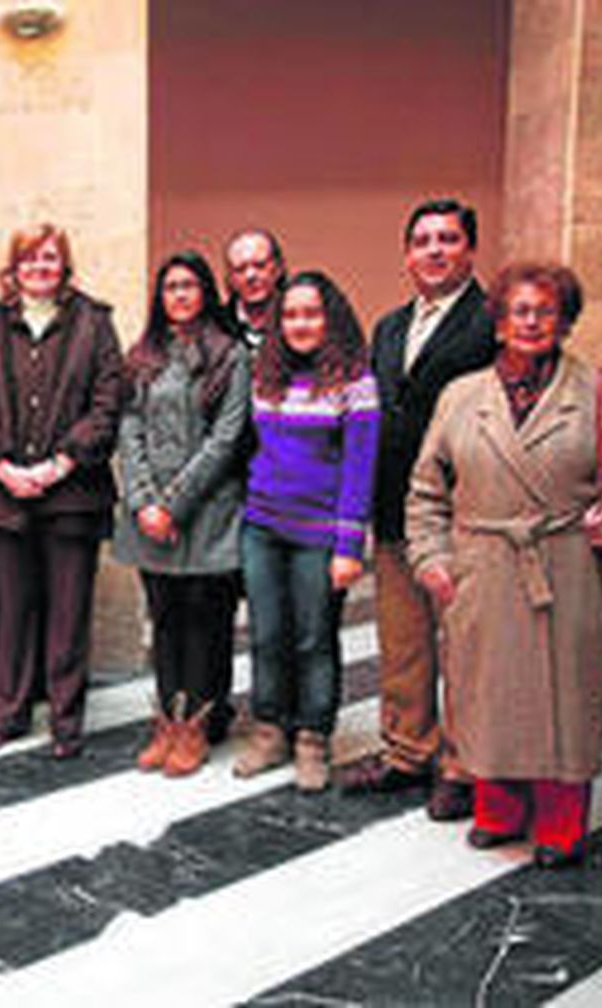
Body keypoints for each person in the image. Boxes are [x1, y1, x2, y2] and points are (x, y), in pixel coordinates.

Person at [406, 262, 602, 868]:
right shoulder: (460, 396)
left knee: (564, 697)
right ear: (497, 323)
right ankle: (498, 811)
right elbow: (426, 489)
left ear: (565, 321)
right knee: (486, 693)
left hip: (566, 565)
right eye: (518, 311)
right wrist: (431, 557)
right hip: (482, 566)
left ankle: (559, 823)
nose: (530, 321)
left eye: (544, 311)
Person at [340, 198, 497, 822]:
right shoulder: (390, 326)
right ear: (407, 254)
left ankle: (461, 765)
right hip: (393, 507)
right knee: (403, 642)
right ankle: (408, 751)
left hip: (460, 512)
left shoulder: (491, 323)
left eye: (448, 239)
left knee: (462, 644)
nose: (434, 250)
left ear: (470, 250)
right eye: (423, 240)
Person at [0, 223, 124, 760]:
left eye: (49, 258)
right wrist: (1, 465)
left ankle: (66, 722)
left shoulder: (94, 323)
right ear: (14, 268)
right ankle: (8, 714)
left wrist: (62, 462)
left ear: (64, 265)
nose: (40, 267)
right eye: (29, 259)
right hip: (3, 497)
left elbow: (108, 402)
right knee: (11, 612)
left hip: (72, 496)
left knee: (68, 614)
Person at [236, 271, 378, 792]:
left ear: (331, 318)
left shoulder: (356, 380)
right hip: (262, 527)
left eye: (311, 314)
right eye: (291, 315)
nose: (300, 323)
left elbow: (360, 468)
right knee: (267, 635)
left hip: (320, 534)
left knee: (314, 639)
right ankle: (270, 728)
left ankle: (313, 739)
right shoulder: (264, 375)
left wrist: (348, 546)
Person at [116, 251, 250, 777]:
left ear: (207, 293)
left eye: (189, 286)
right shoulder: (143, 354)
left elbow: (226, 438)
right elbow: (129, 430)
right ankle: (165, 723)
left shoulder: (229, 355)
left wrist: (174, 504)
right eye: (170, 287)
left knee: (206, 619)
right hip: (149, 512)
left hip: (208, 511)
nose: (179, 295)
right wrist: (145, 500)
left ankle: (198, 724)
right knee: (165, 616)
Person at [223, 228, 287, 349]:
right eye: (240, 269)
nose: (250, 276)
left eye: (260, 265)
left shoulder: (300, 321)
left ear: (279, 268)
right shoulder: (216, 325)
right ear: (230, 279)